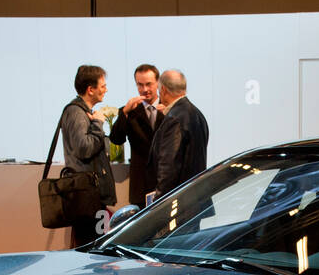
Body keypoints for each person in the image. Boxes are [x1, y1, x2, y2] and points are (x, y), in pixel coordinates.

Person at [59, 64, 117, 245]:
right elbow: (84, 148)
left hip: (92, 196)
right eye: (102, 86)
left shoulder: (83, 112)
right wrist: (98, 124)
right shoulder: (76, 112)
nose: (105, 90)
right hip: (87, 198)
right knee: (93, 245)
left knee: (100, 241)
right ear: (90, 90)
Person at [148, 69, 209, 196]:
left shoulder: (174, 119)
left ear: (163, 90)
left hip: (179, 201)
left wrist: (159, 202)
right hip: (196, 197)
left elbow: (168, 167)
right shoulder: (197, 114)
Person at [108, 63, 161, 207]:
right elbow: (116, 139)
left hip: (165, 181)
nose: (144, 90)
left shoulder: (169, 108)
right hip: (141, 184)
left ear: (158, 83)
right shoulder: (130, 111)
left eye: (149, 84)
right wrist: (124, 112)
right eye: (140, 85)